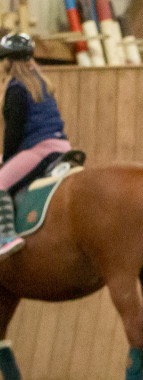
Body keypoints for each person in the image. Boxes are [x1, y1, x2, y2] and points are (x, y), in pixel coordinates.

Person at [0, 33, 71, 258]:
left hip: (40, 149)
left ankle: (6, 236)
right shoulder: (41, 83)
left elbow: (13, 134)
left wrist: (6, 160)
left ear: (8, 61)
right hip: (63, 146)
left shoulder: (16, 88)